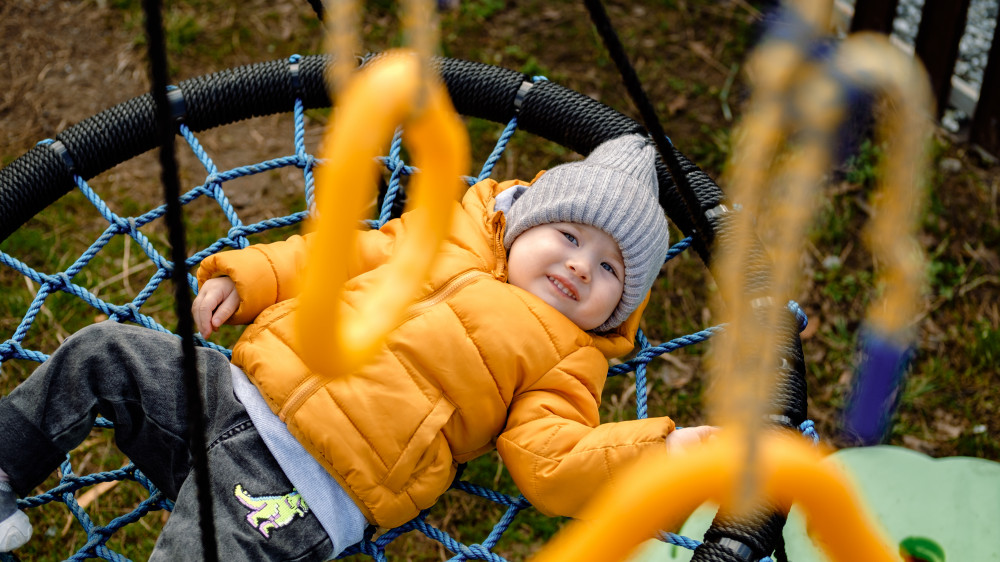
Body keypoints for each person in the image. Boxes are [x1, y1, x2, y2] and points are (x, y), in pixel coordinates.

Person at [0, 133, 716, 559]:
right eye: (569, 235)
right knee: (102, 351)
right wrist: (251, 278)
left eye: (609, 270)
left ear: (616, 305)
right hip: (228, 393)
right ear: (522, 221)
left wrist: (658, 451)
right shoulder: (436, 238)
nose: (578, 266)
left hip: (299, 486)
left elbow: (550, 462)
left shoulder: (565, 358)